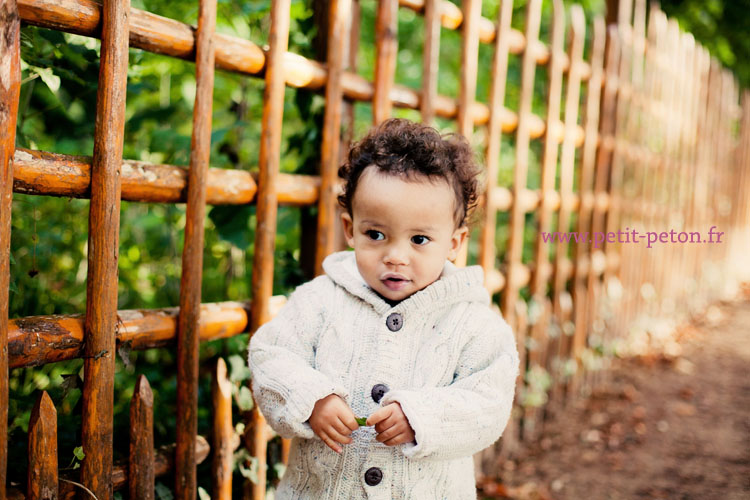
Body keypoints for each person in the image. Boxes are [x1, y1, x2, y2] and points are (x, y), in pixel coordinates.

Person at [247, 118, 520, 499]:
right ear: (350, 228)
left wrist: (423, 418)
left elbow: (487, 403)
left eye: (420, 239)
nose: (395, 256)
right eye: (375, 235)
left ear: (455, 243)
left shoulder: (473, 323)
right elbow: (270, 355)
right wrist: (311, 398)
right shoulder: (320, 300)